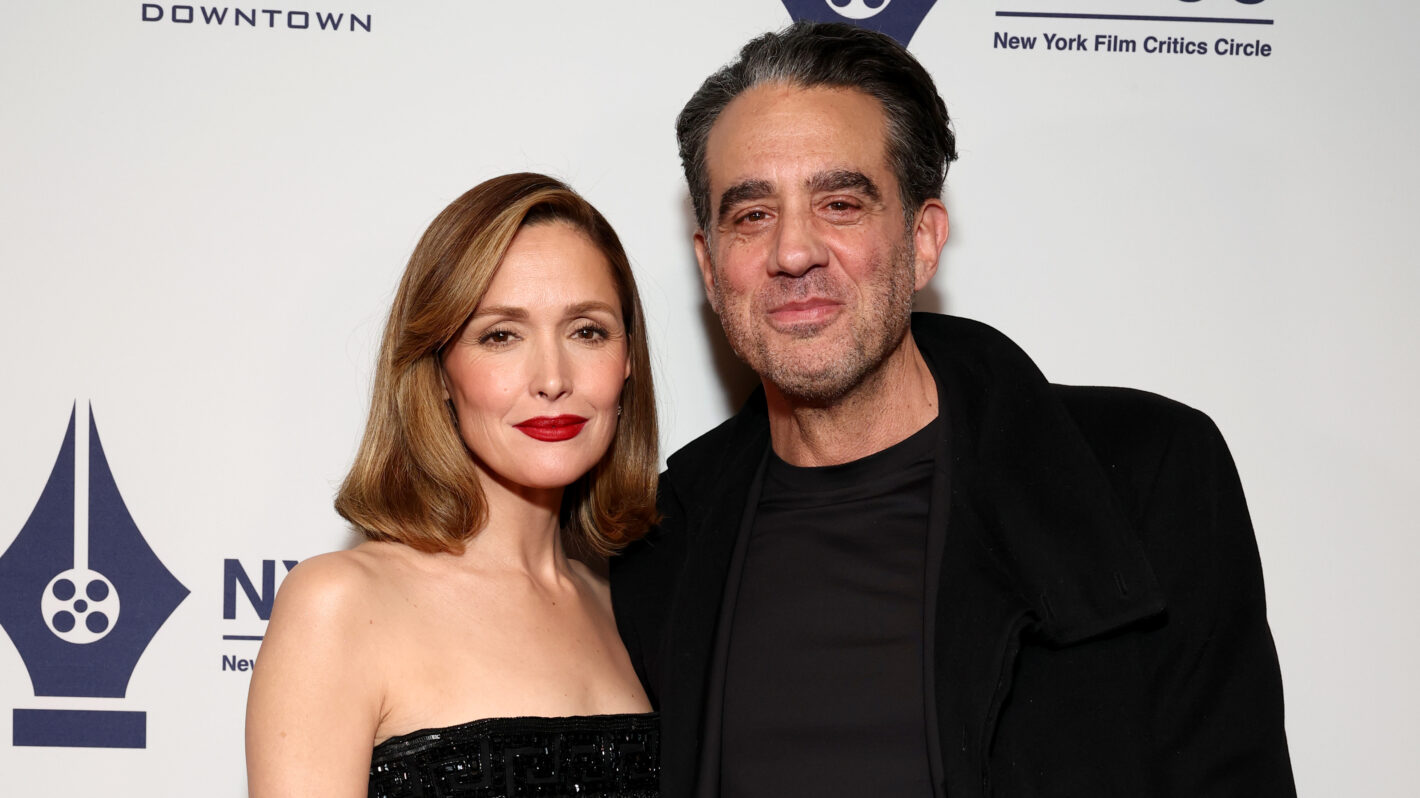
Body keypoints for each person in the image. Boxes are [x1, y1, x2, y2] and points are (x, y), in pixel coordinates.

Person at [610, 22, 1296, 798]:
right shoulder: (660, 544)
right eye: (753, 215)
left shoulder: (1144, 478)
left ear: (925, 239)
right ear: (709, 265)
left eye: (840, 203)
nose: (794, 252)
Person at [246, 173, 661, 798]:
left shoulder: (629, 607)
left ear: (627, 361)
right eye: (501, 335)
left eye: (587, 331)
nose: (552, 378)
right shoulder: (341, 605)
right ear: (439, 370)